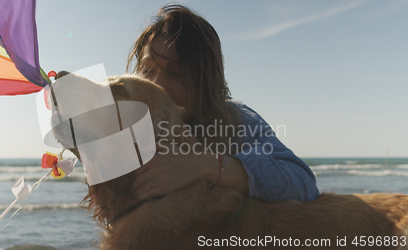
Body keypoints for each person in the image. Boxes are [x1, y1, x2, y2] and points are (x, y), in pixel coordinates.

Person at [128, 4, 319, 202]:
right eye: (146, 70)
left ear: (207, 81)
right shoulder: (126, 121)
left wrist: (207, 166)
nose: (156, 84)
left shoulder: (234, 118)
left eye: (177, 73)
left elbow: (303, 184)